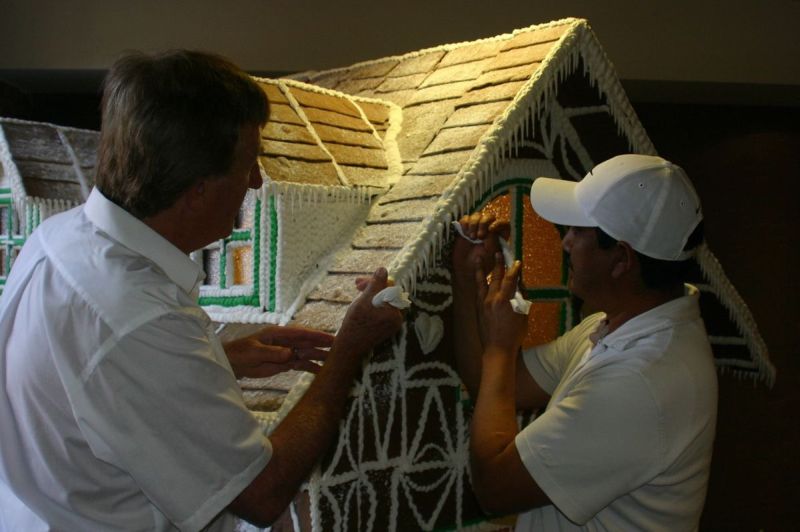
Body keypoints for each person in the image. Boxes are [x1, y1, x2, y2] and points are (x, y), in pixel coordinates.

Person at [0, 50, 403, 530]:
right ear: (198, 189)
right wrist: (347, 354)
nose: (255, 183)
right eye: (249, 165)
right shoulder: (141, 317)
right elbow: (262, 491)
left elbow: (95, 387)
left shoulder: (57, 238)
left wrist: (217, 358)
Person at [452, 154, 718, 530]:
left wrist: (500, 346)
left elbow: (494, 488)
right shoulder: (613, 327)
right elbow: (491, 383)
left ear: (622, 258)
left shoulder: (640, 381)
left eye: (579, 231)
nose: (566, 243)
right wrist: (468, 278)